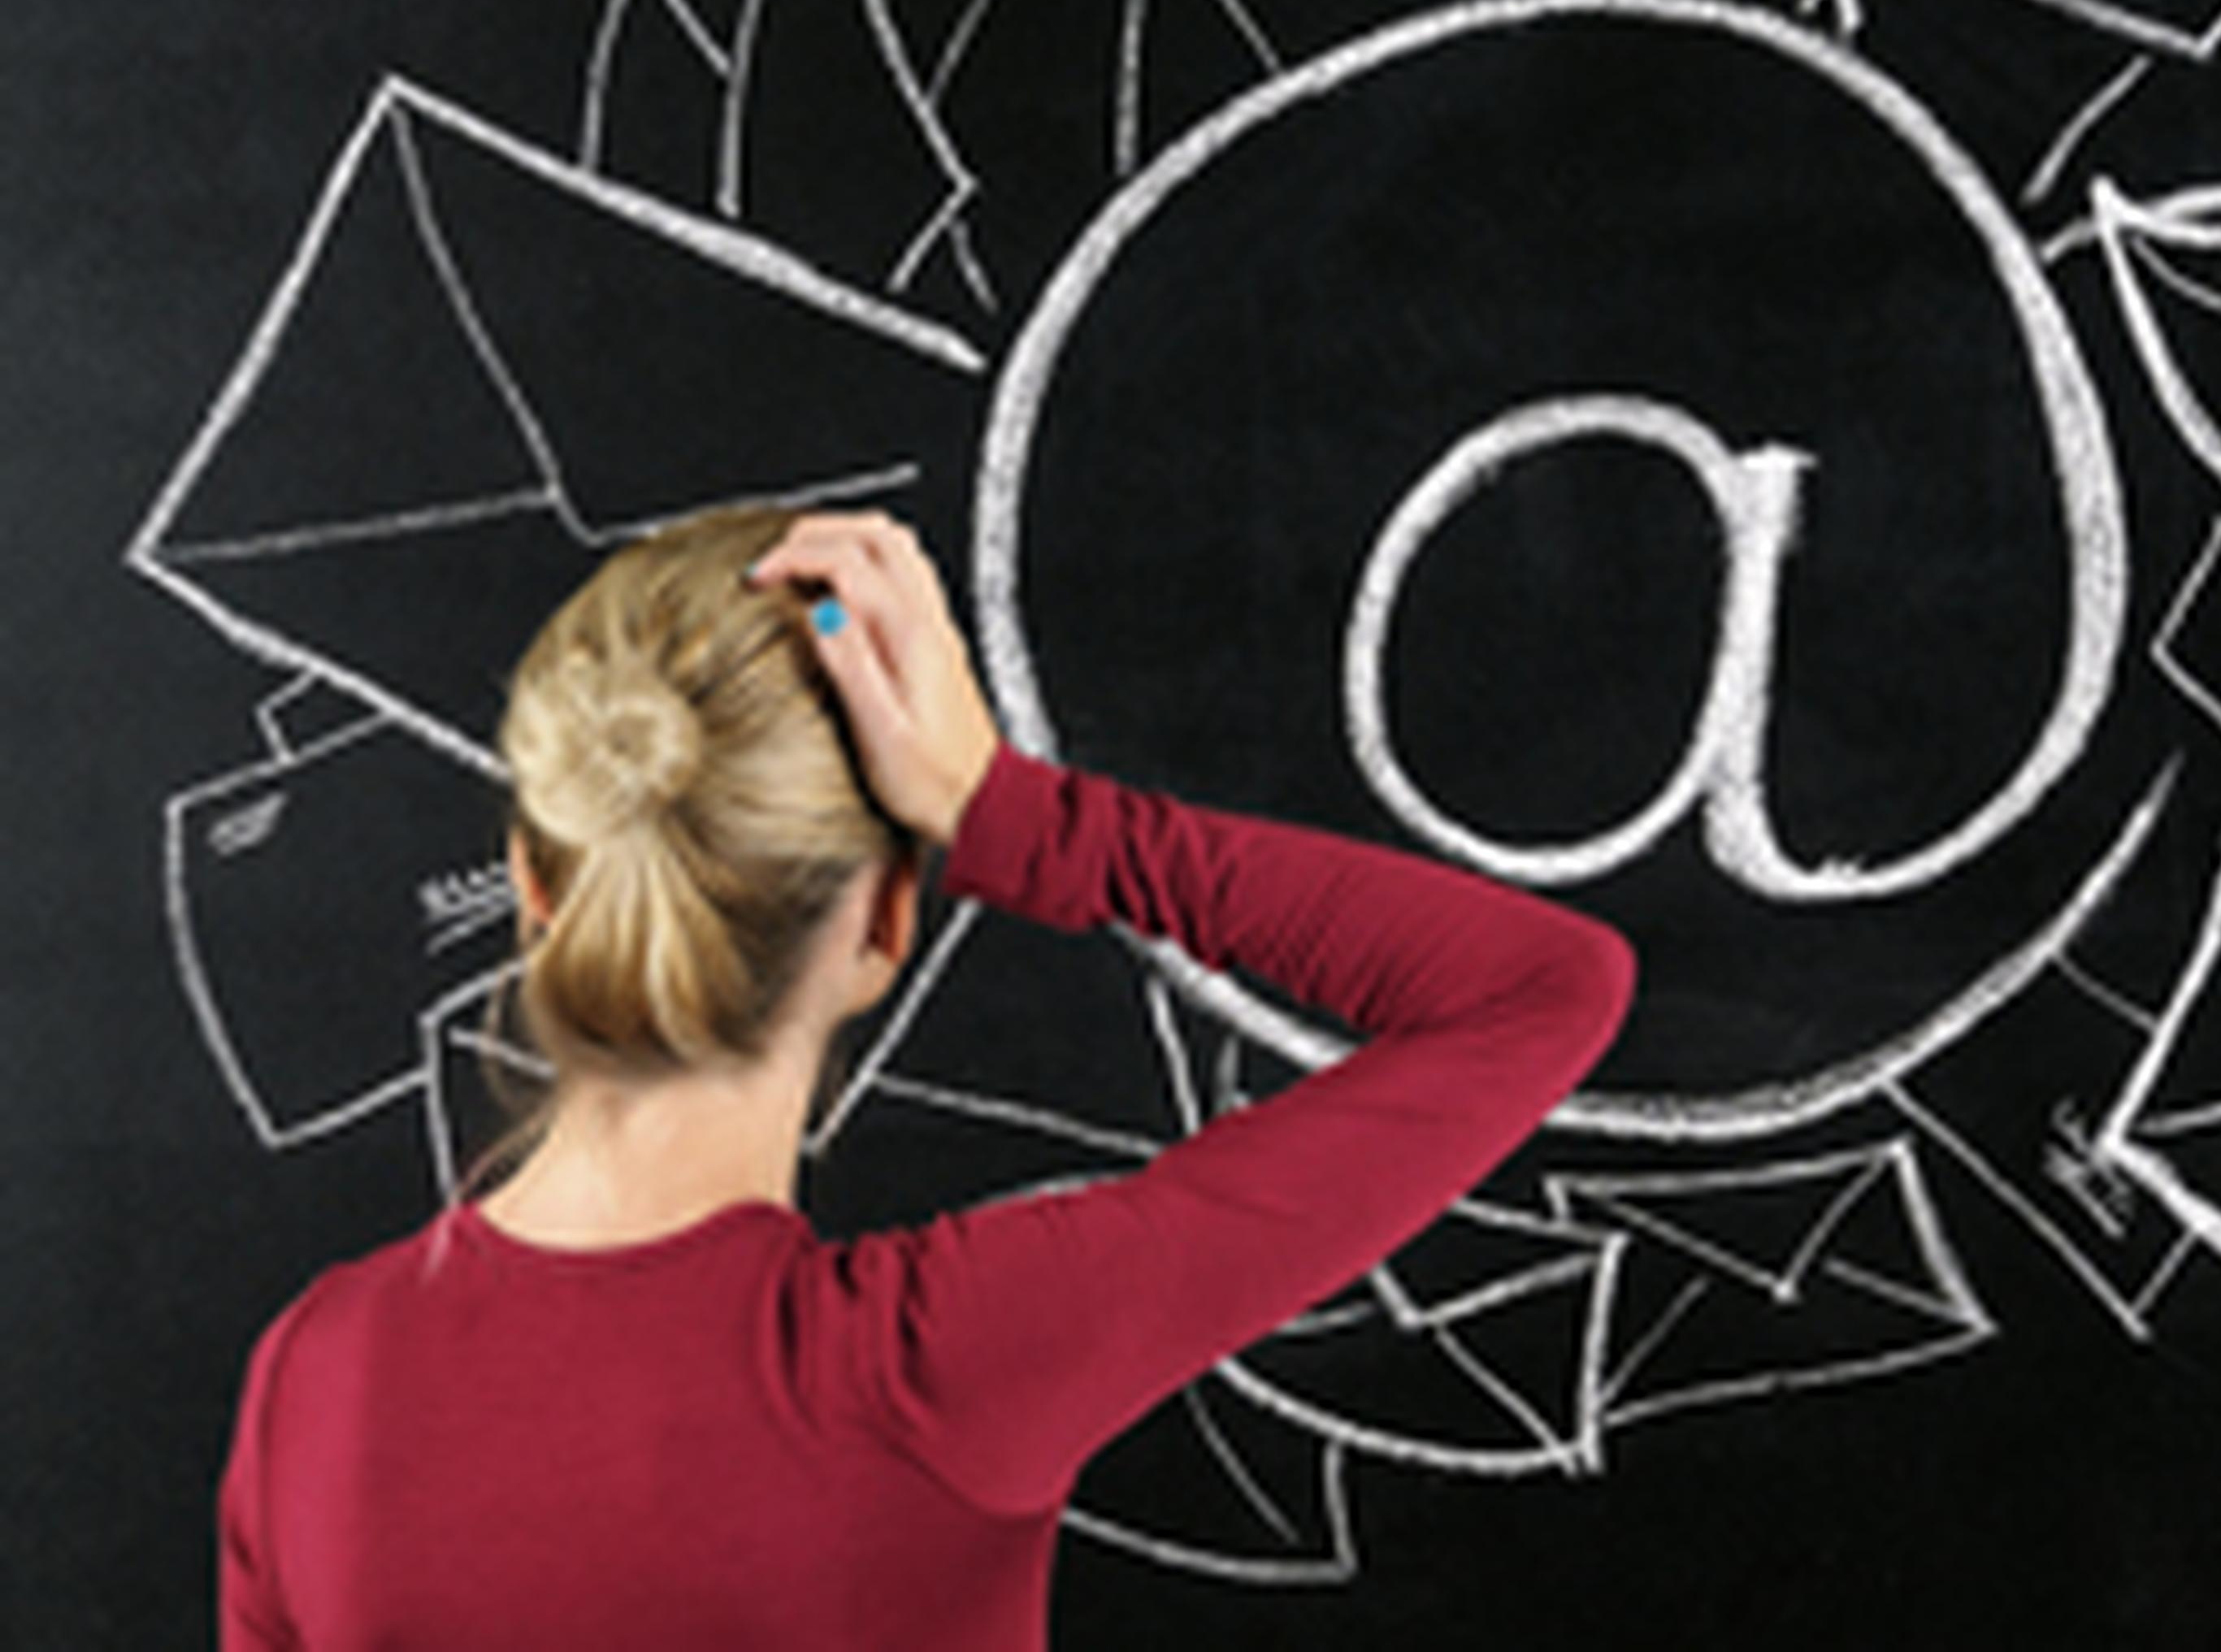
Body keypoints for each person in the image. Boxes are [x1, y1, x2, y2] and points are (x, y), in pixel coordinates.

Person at [216, 508, 1633, 1649]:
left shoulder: (315, 1377)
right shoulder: (938, 1367)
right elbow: (1540, 988)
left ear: (534, 890)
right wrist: (1021, 813)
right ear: (889, 923)